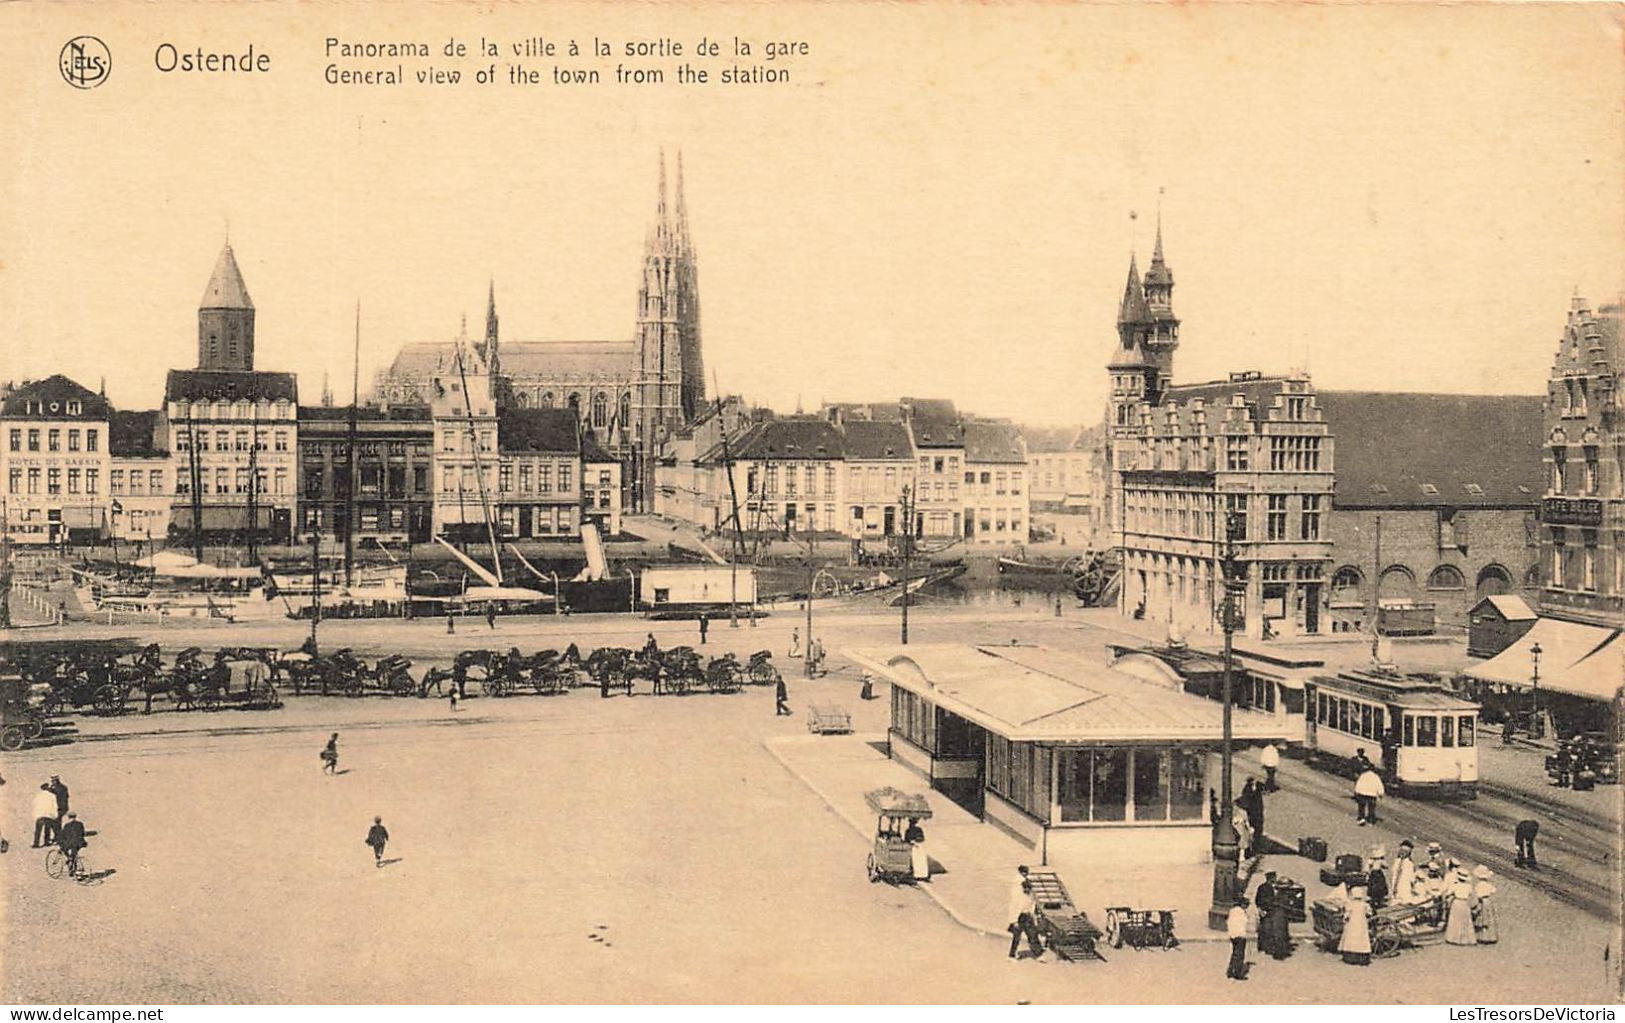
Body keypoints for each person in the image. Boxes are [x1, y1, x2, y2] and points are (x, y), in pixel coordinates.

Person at [1255, 872, 1289, 960]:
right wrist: (1261, 909)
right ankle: (1266, 947)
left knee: (1270, 930)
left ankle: (1270, 948)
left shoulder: (1275, 887)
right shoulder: (1263, 887)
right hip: (1267, 911)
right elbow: (1258, 899)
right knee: (1266, 930)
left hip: (1271, 912)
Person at [1007, 879, 1043, 960]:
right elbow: (1013, 909)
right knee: (1016, 937)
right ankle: (1011, 955)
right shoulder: (1018, 897)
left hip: (1028, 917)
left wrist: (1033, 918)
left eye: (1029, 888)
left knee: (1033, 935)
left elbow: (1032, 907)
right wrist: (1014, 921)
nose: (1027, 890)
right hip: (1019, 917)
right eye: (1026, 888)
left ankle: (1038, 954)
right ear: (1023, 888)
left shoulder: (1031, 896)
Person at [1339, 886, 1373, 965]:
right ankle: (1361, 957)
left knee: (1351, 938)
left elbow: (1347, 914)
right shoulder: (1364, 905)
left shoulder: (1350, 905)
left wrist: (1345, 919)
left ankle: (1351, 957)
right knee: (1361, 939)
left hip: (1352, 924)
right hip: (1361, 924)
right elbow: (1369, 913)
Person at [1444, 867, 1476, 945]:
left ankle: (1453, 938)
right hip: (1464, 903)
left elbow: (1448, 894)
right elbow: (1472, 895)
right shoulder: (1468, 886)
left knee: (1455, 920)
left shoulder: (1455, 886)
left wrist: (1447, 898)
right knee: (1465, 921)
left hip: (1456, 903)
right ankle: (1465, 939)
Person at [1471, 865, 1498, 944]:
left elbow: (1477, 895)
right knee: (1489, 918)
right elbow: (1493, 890)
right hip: (1488, 901)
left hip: (1482, 902)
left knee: (1482, 919)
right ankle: (1491, 937)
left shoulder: (1478, 885)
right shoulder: (1488, 885)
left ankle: (1483, 937)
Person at [1225, 895, 1250, 980]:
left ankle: (1230, 971)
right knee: (1240, 954)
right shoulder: (1241, 913)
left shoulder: (1232, 911)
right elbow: (1243, 923)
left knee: (1234, 953)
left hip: (1233, 935)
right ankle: (1237, 973)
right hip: (1240, 935)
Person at [57, 811, 87, 878]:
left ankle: (76, 871)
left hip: (71, 843)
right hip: (80, 843)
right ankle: (71, 868)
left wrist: (59, 841)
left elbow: (63, 835)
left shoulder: (67, 825)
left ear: (68, 817)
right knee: (74, 854)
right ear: (75, 817)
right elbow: (83, 833)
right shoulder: (80, 824)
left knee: (64, 849)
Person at [1391, 840, 1419, 905]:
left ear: (1409, 853)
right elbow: (1394, 874)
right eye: (1401, 850)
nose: (1402, 853)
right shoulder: (1396, 861)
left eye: (1405, 851)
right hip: (1395, 887)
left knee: (1404, 904)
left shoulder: (1410, 864)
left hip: (1404, 888)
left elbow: (1412, 879)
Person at [32, 783, 59, 848]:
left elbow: (35, 804)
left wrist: (35, 814)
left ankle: (36, 843)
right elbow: (54, 806)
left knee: (38, 830)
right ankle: (46, 842)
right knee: (47, 829)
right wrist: (55, 815)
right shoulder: (52, 796)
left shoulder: (38, 796)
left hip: (40, 814)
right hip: (48, 814)